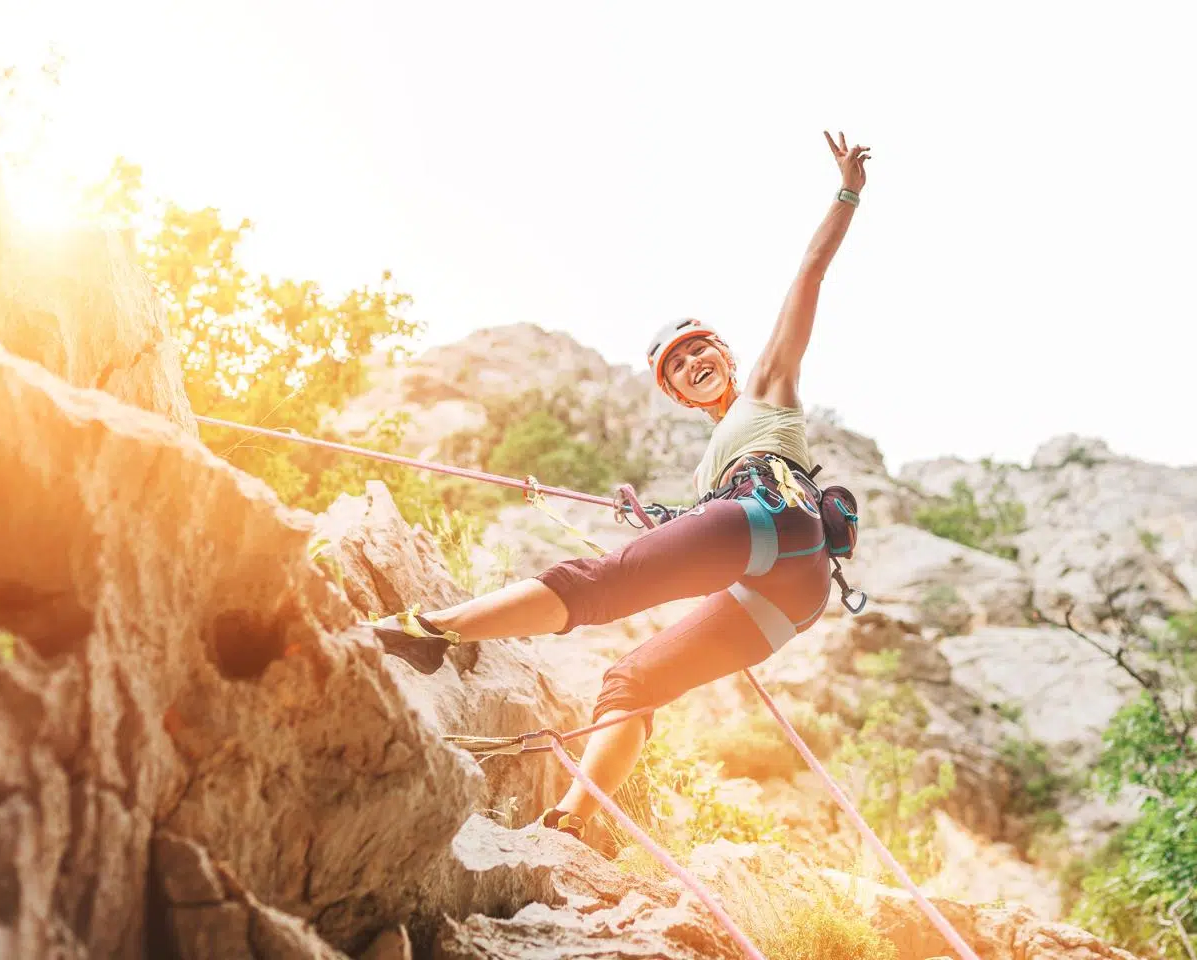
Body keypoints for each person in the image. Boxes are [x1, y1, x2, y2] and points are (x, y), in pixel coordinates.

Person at [373, 131, 872, 842]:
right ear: (673, 393)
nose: (694, 360)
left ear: (728, 358)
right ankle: (574, 826)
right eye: (678, 364)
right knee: (631, 684)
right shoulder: (708, 475)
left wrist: (847, 192)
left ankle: (431, 632)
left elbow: (807, 279)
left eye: (701, 349)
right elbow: (702, 539)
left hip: (774, 519)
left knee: (596, 585)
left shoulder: (769, 391)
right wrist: (672, 518)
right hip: (790, 594)